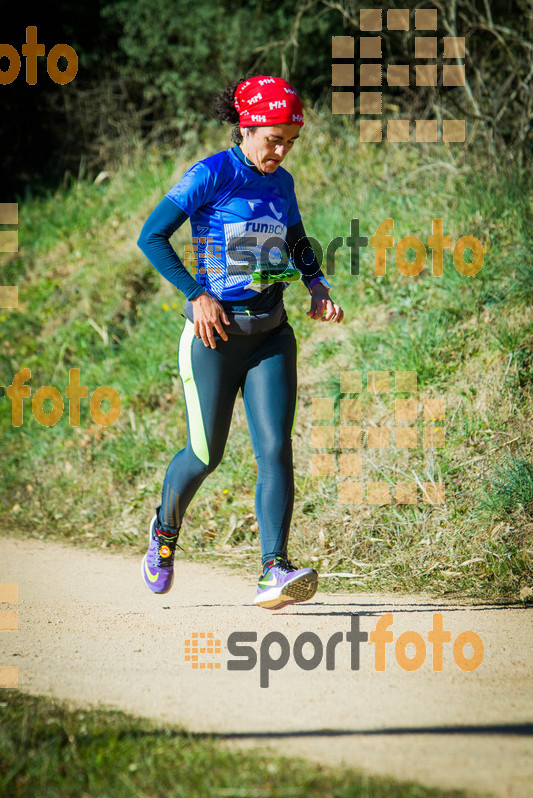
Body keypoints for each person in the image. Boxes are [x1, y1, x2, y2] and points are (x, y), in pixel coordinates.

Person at [137, 74, 344, 610]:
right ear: (247, 127)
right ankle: (164, 533)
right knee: (206, 456)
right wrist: (196, 293)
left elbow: (296, 240)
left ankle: (274, 569)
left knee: (275, 448)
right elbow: (152, 236)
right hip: (214, 338)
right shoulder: (211, 173)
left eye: (290, 141)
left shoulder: (282, 181)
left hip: (270, 335)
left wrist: (316, 285)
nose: (281, 150)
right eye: (273, 138)